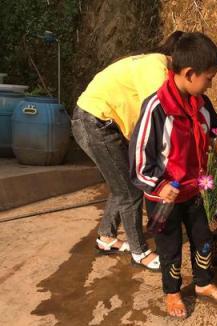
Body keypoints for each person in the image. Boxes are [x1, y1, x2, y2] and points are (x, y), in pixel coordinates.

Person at [129, 31, 217, 318]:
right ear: (189, 73)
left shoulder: (202, 104)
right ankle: (172, 293)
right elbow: (138, 160)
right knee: (170, 246)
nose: (211, 84)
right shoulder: (156, 109)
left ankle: (203, 284)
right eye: (209, 78)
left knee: (203, 238)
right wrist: (158, 185)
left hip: (194, 190)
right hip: (165, 197)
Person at [71, 32, 186, 271]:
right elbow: (158, 111)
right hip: (96, 122)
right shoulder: (156, 65)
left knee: (121, 182)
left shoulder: (149, 62)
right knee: (131, 190)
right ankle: (139, 252)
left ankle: (106, 237)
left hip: (97, 121)